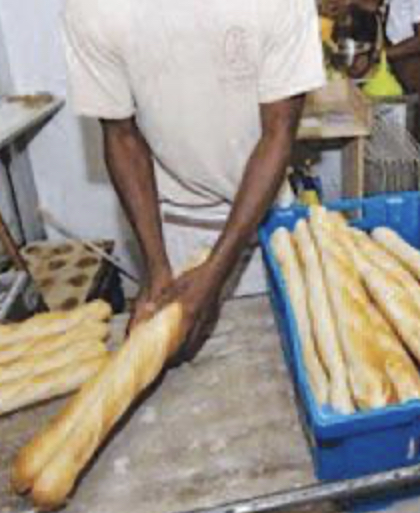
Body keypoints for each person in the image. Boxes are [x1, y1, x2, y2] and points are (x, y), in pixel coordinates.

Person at [64, 0, 327, 360]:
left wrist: (215, 274)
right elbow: (121, 136)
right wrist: (157, 268)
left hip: (263, 222)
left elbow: (278, 134)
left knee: (274, 365)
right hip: (170, 226)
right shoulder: (94, 10)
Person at [324, 0, 420, 168]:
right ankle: (401, 179)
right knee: (400, 132)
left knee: (419, 133)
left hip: (416, 63)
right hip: (396, 55)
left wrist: (377, 55)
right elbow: (375, 5)